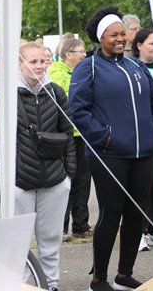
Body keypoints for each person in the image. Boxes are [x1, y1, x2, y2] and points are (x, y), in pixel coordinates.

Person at [69, 6, 153, 291]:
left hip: (144, 152)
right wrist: (104, 137)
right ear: (101, 38)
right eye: (113, 35)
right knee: (111, 214)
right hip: (108, 154)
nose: (120, 39)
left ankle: (124, 275)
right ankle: (98, 279)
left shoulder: (136, 66)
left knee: (137, 214)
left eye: (123, 33)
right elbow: (78, 109)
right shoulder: (89, 67)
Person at [0, 42, 75, 291]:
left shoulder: (56, 92)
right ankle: (21, 285)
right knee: (18, 242)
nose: (39, 66)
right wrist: (8, 177)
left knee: (51, 239)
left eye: (42, 61)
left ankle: (51, 284)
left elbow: (67, 134)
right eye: (33, 61)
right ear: (20, 64)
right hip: (20, 182)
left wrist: (68, 174)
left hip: (55, 179)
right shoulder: (8, 96)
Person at [49, 38, 92, 242]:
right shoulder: (57, 73)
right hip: (66, 136)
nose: (84, 55)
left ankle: (81, 225)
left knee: (84, 181)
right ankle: (61, 227)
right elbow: (70, 98)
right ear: (68, 54)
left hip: (83, 135)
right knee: (66, 181)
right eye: (80, 52)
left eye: (84, 51)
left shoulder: (82, 72)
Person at [132, 28, 153, 252]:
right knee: (142, 187)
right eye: (152, 43)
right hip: (145, 137)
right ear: (139, 46)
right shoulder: (134, 69)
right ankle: (138, 231)